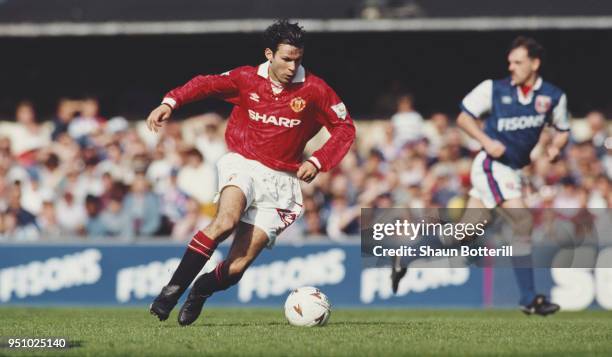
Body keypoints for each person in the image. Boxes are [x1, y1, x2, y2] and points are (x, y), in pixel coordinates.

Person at [146, 19, 355, 326]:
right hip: (242, 162)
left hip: (282, 181)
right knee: (225, 220)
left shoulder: (314, 89)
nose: (291, 66)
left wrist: (318, 160)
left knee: (236, 268)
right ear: (269, 54)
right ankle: (171, 291)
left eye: (297, 60)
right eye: (285, 59)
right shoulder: (245, 78)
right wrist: (171, 101)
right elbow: (205, 83)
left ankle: (201, 290)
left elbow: (344, 127)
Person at [392, 37, 568, 316]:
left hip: (513, 169)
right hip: (492, 164)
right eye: (509, 62)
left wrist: (557, 148)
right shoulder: (493, 89)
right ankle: (529, 298)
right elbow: (464, 118)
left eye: (518, 62)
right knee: (522, 219)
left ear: (535, 63)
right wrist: (486, 142)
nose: (511, 67)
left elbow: (563, 128)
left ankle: (408, 254)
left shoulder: (552, 96)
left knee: (463, 233)